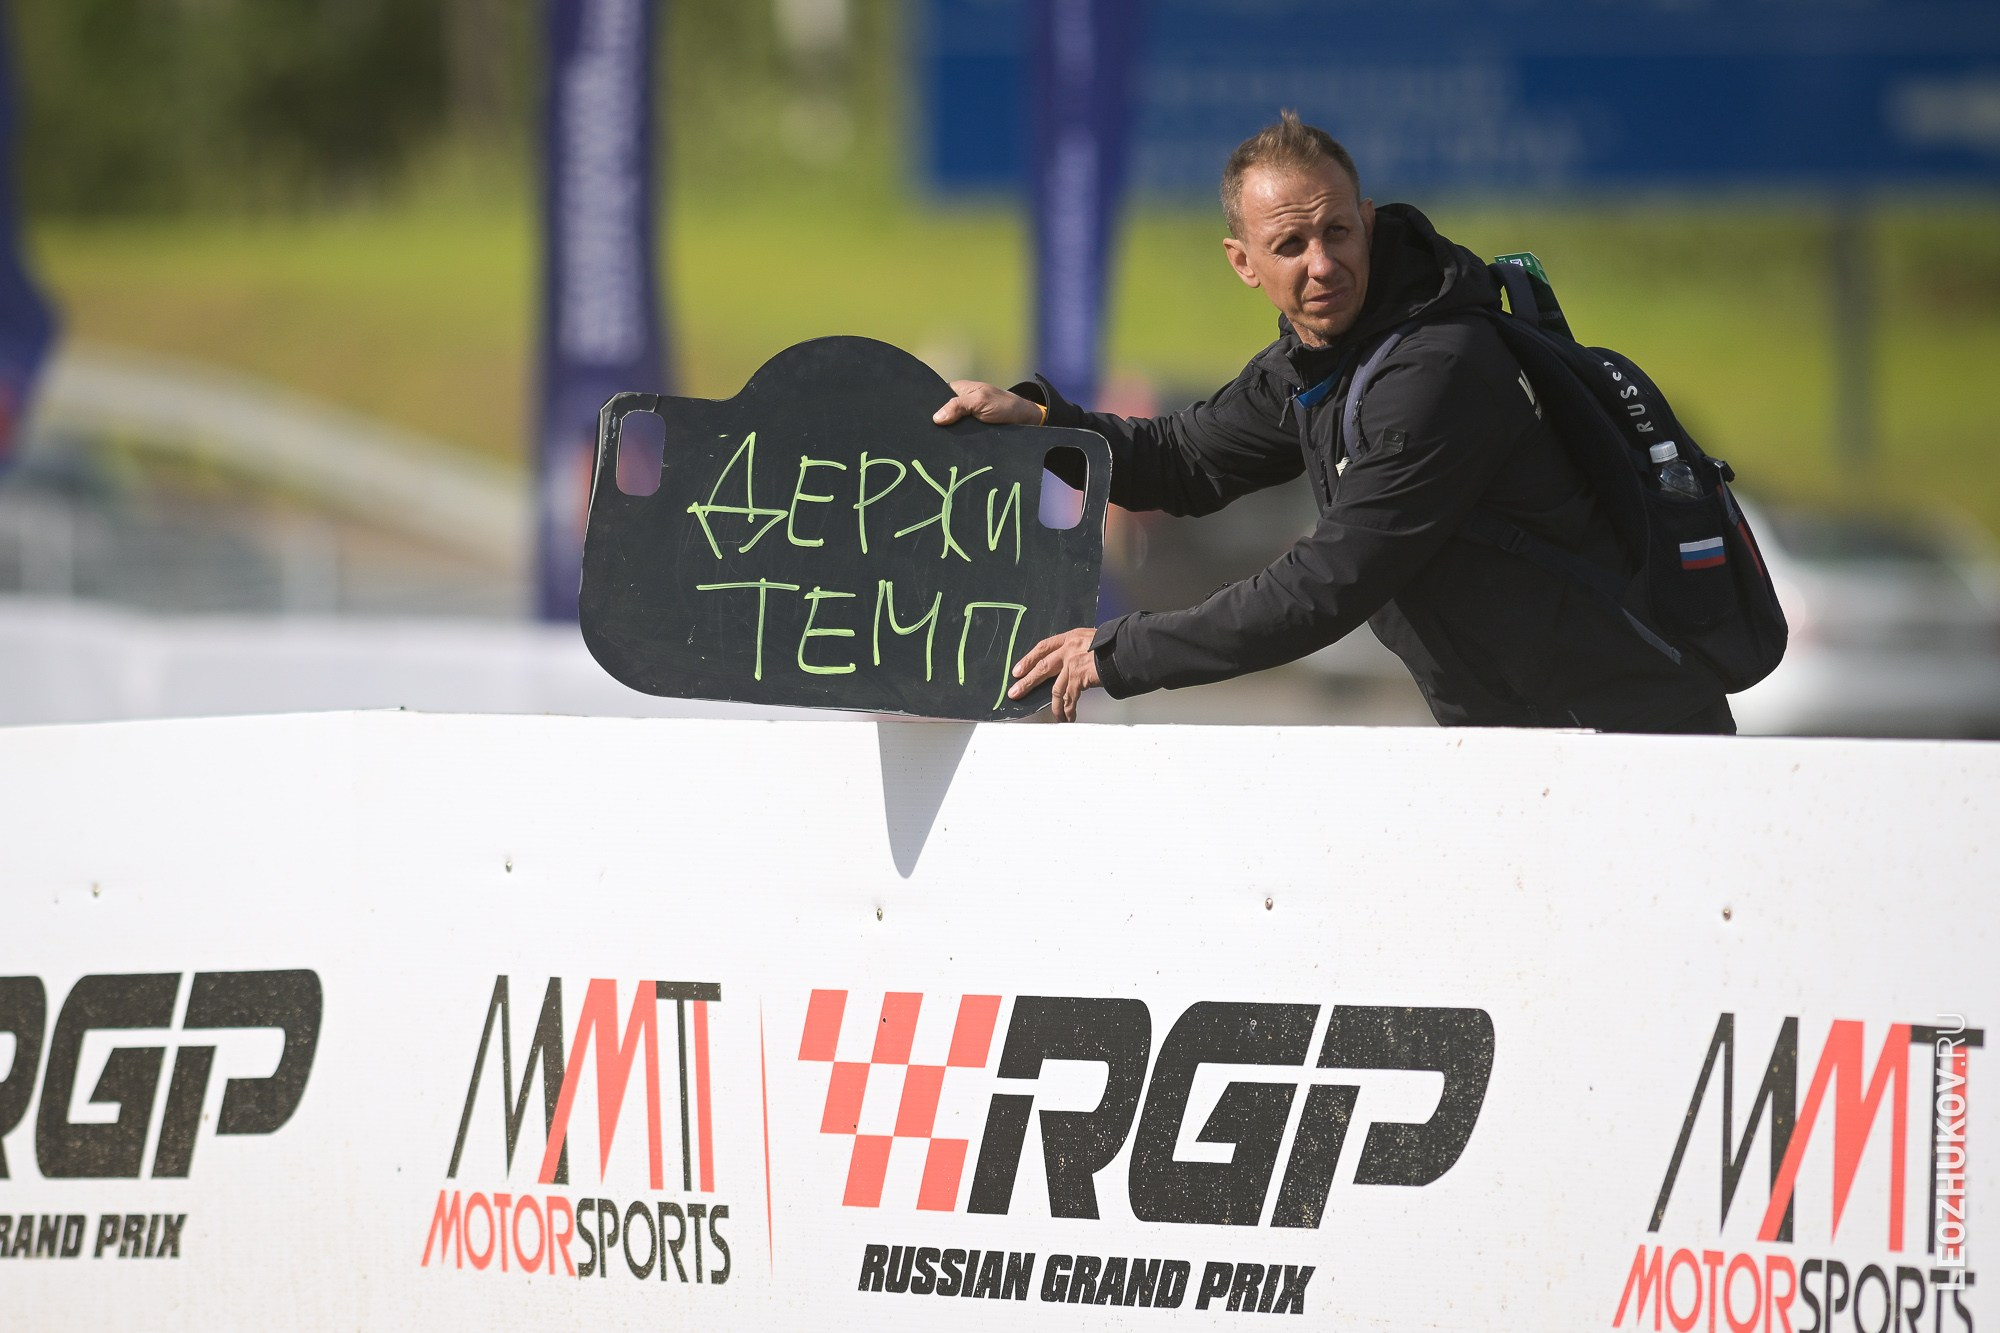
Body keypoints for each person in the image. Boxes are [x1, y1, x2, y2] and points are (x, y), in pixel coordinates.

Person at [933, 111, 1733, 733]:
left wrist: (1117, 651)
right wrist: (1038, 422)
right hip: (1520, 738)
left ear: (1369, 222)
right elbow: (1181, 460)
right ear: (1244, 262)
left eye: (1337, 231)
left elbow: (1329, 584)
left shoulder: (1440, 370)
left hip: (1634, 734)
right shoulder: (1317, 359)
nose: (1322, 263)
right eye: (1290, 243)